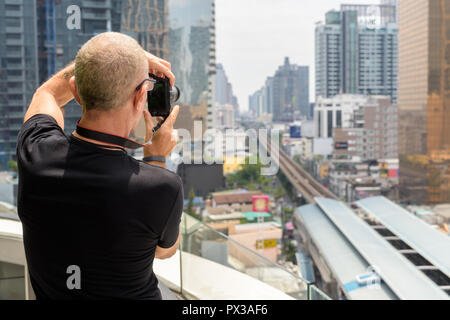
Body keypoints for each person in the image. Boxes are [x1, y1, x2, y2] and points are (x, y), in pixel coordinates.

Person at [16, 32, 183, 300]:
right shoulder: (161, 186)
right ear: (141, 96)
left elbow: (47, 92)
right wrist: (156, 158)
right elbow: (164, 250)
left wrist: (93, 68)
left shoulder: (36, 153)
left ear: (75, 90)